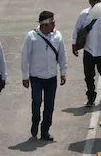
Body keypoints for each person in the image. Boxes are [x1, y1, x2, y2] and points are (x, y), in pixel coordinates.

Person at [21, 10, 67, 141]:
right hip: (36, 77)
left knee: (49, 105)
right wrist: (25, 76)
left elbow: (62, 56)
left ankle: (45, 130)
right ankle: (35, 121)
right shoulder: (31, 36)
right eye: (52, 22)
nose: (54, 24)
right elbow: (25, 57)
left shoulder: (58, 36)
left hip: (51, 78)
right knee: (36, 102)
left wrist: (63, 73)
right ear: (45, 25)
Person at [72, 0, 101, 107]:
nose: (96, 3)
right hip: (89, 51)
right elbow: (77, 29)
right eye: (93, 1)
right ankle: (91, 97)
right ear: (90, 2)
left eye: (98, 1)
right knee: (88, 76)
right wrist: (74, 44)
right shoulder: (84, 14)